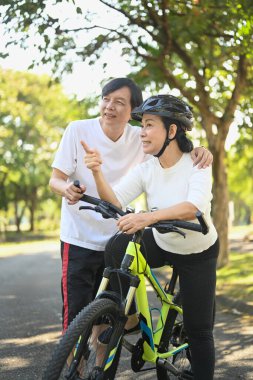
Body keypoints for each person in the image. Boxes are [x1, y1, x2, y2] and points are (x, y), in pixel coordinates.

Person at [49, 77, 213, 333]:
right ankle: (73, 371)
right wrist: (68, 187)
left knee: (109, 319)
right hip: (79, 233)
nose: (110, 106)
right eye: (106, 99)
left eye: (119, 102)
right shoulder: (77, 130)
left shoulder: (141, 136)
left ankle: (102, 367)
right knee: (75, 319)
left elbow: (173, 139)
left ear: (133, 111)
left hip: (118, 229)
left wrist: (200, 149)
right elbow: (55, 180)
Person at [83, 94, 219, 380]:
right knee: (119, 244)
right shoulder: (147, 169)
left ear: (172, 131)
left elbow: (192, 208)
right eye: (141, 125)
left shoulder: (197, 164)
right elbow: (116, 199)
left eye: (148, 125)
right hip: (163, 241)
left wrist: (147, 217)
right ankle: (127, 317)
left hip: (198, 252)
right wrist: (96, 172)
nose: (141, 132)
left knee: (199, 331)